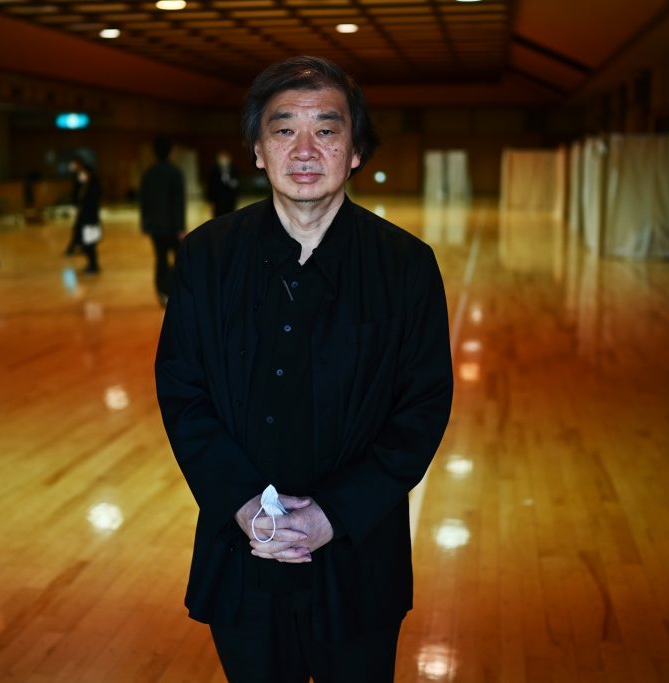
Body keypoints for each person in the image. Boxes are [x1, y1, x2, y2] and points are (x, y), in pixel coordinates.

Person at [154, 56, 453, 681]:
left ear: (355, 151)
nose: (306, 148)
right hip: (242, 550)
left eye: (327, 128)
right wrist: (241, 505)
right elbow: (183, 391)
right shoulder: (207, 257)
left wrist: (333, 514)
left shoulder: (405, 266)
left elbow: (422, 409)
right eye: (284, 128)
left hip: (358, 553)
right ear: (258, 151)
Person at [139, 136, 185, 305]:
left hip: (155, 227)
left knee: (160, 259)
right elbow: (178, 202)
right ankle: (176, 290)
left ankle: (162, 292)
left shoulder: (148, 174)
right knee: (180, 259)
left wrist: (145, 225)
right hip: (173, 226)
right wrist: (180, 227)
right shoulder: (175, 173)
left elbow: (143, 202)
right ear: (171, 152)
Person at [68, 157, 102, 274]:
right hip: (85, 218)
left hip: (90, 219)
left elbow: (91, 203)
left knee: (90, 243)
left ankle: (94, 265)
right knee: (86, 244)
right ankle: (91, 264)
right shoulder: (84, 186)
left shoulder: (93, 187)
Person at [205, 149, 240, 217]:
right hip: (218, 201)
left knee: (231, 217)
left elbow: (237, 185)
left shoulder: (234, 170)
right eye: (221, 158)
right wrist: (210, 201)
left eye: (225, 158)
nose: (223, 160)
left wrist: (237, 198)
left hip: (230, 201)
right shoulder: (213, 171)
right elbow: (210, 186)